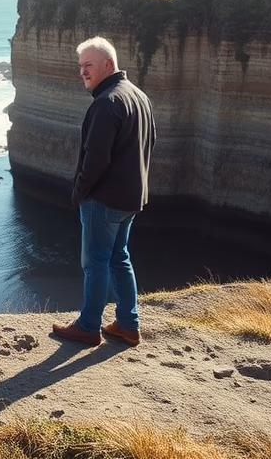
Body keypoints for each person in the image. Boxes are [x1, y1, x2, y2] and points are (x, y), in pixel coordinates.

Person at [51, 36, 155, 347]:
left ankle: (88, 326)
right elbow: (149, 146)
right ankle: (127, 324)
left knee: (95, 262)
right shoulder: (139, 96)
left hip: (104, 199)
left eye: (89, 66)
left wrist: (79, 192)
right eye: (81, 66)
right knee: (119, 258)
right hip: (131, 198)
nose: (82, 71)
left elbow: (95, 160)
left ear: (107, 65)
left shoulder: (106, 103)